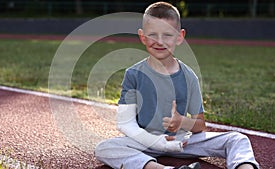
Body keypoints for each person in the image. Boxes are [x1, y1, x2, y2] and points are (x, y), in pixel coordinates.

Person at [95, 2, 260, 169]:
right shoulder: (133, 74)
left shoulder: (189, 77)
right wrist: (156, 142)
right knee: (105, 148)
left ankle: (244, 167)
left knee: (237, 139)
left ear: (179, 37)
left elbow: (200, 125)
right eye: (153, 35)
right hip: (145, 141)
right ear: (142, 36)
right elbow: (125, 122)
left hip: (181, 142)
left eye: (167, 35)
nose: (160, 41)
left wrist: (182, 122)